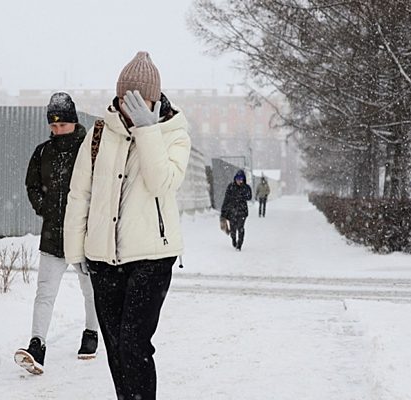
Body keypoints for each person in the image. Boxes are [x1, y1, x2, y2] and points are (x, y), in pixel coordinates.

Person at [64, 51, 191, 400]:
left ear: (156, 99)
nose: (130, 106)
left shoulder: (174, 133)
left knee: (135, 345)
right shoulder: (98, 133)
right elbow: (80, 195)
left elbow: (162, 182)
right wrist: (76, 251)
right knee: (116, 347)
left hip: (152, 256)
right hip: (104, 259)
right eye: (124, 99)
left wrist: (148, 130)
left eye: (140, 99)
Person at [14, 92, 99, 375]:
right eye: (53, 125)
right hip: (52, 235)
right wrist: (45, 209)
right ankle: (37, 345)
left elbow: (101, 189)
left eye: (62, 124)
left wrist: (88, 218)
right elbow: (32, 186)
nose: (57, 130)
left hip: (84, 236)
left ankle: (91, 332)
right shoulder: (43, 152)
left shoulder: (89, 151)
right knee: (45, 293)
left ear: (73, 122)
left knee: (91, 291)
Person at [221, 169, 252, 251]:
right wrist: (223, 212)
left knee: (240, 228)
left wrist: (242, 193)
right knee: (233, 229)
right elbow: (226, 199)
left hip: (242, 212)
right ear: (235, 178)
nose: (239, 180)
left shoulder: (246, 187)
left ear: (243, 179)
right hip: (232, 211)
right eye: (237, 178)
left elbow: (249, 197)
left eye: (241, 179)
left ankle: (239, 244)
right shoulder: (230, 187)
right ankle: (234, 239)